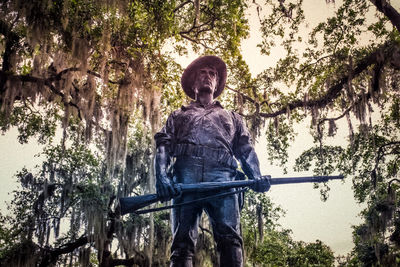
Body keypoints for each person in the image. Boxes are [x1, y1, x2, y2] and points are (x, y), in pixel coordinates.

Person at [154, 55, 270, 267]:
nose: (208, 76)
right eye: (202, 73)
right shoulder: (178, 115)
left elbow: (245, 149)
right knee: (181, 245)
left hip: (223, 179)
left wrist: (257, 176)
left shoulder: (233, 117)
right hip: (185, 179)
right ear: (193, 82)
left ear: (217, 83)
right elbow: (163, 146)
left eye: (212, 74)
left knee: (231, 240)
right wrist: (161, 177)